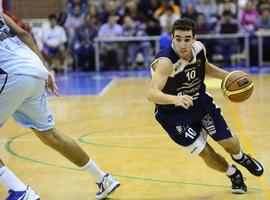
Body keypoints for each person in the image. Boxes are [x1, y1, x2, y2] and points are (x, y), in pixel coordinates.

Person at [0, 12, 120, 200]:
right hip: (33, 67)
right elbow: (24, 35)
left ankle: (20, 191)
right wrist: (45, 68)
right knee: (50, 135)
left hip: (10, 73)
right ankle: (103, 178)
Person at [147, 18, 264, 194]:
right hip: (173, 115)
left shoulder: (199, 49)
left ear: (194, 38)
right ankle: (233, 174)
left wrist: (232, 77)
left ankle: (242, 158)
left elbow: (207, 68)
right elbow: (151, 93)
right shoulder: (166, 62)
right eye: (178, 39)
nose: (182, 44)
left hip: (200, 103)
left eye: (187, 39)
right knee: (206, 153)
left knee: (228, 142)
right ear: (172, 38)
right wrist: (175, 99)